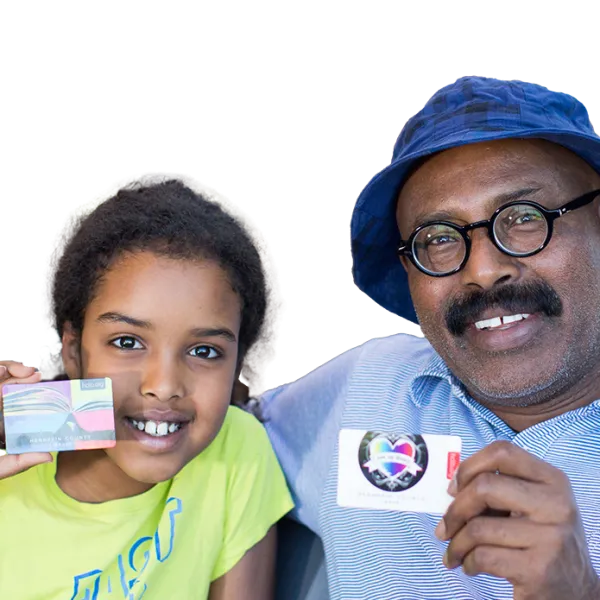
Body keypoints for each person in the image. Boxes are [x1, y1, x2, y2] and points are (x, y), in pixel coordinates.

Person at [261, 76, 600, 599]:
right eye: (439, 239)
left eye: (524, 218)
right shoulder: (364, 387)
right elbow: (189, 423)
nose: (484, 271)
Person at [0, 179, 293, 599]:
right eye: (127, 342)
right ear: (73, 351)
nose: (164, 386)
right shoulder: (9, 475)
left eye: (205, 351)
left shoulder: (236, 449)